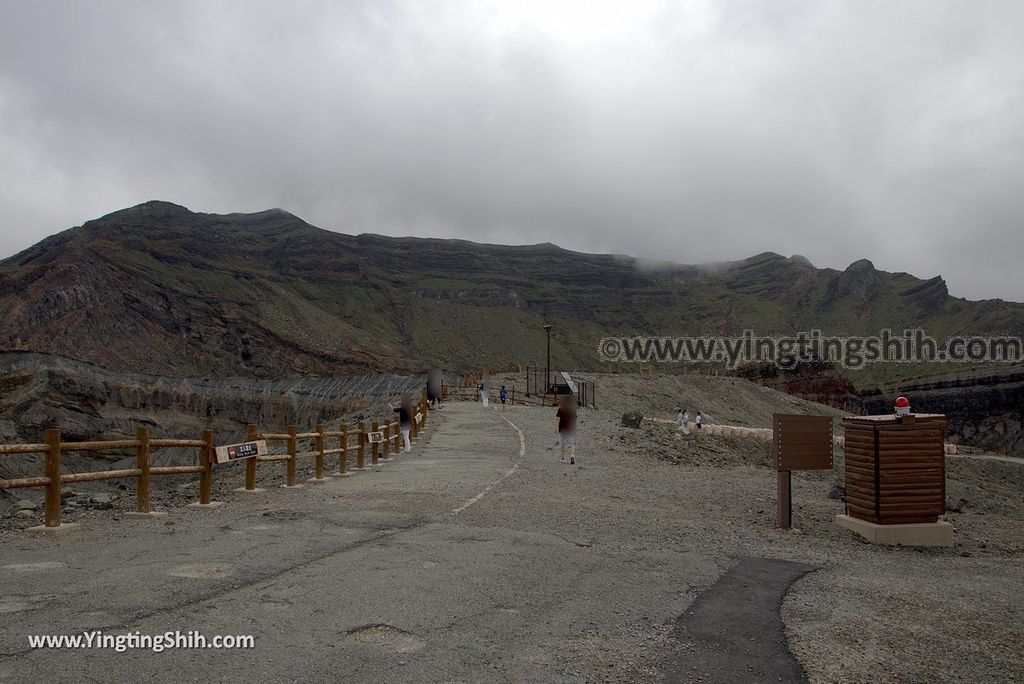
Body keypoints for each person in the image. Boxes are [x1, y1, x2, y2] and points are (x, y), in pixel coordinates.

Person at [555, 394, 577, 464]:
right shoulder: (572, 410)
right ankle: (572, 456)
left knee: (562, 443)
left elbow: (558, 419)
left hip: (562, 428)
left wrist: (556, 428)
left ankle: (563, 458)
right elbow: (574, 420)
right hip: (570, 428)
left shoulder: (560, 410)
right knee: (571, 443)